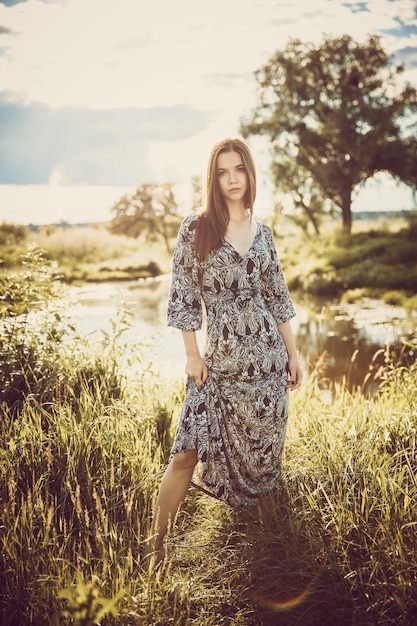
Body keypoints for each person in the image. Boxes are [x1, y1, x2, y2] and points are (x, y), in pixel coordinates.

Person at [144, 137, 302, 566]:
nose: (232, 179)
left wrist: (294, 352)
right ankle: (155, 547)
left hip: (268, 366)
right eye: (223, 172)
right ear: (213, 179)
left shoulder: (264, 234)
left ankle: (271, 545)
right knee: (183, 455)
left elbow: (278, 298)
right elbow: (182, 294)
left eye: (239, 170)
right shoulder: (197, 228)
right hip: (217, 368)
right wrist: (192, 354)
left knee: (264, 454)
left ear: (250, 174)